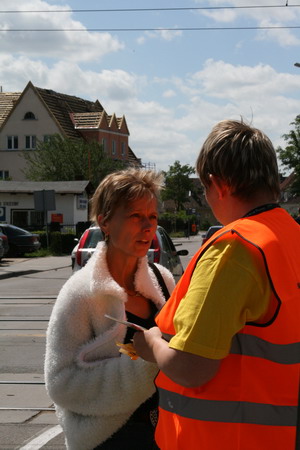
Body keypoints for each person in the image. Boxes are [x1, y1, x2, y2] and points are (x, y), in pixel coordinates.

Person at [133, 120, 300, 450]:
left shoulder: (235, 249)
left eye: (204, 190)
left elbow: (191, 367)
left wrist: (150, 343)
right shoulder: (290, 236)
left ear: (218, 184)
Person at [44, 168, 175, 450]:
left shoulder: (163, 279)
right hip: (109, 439)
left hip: (166, 430)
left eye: (152, 216)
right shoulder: (80, 293)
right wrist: (145, 366)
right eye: (135, 216)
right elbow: (61, 383)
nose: (147, 226)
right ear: (105, 222)